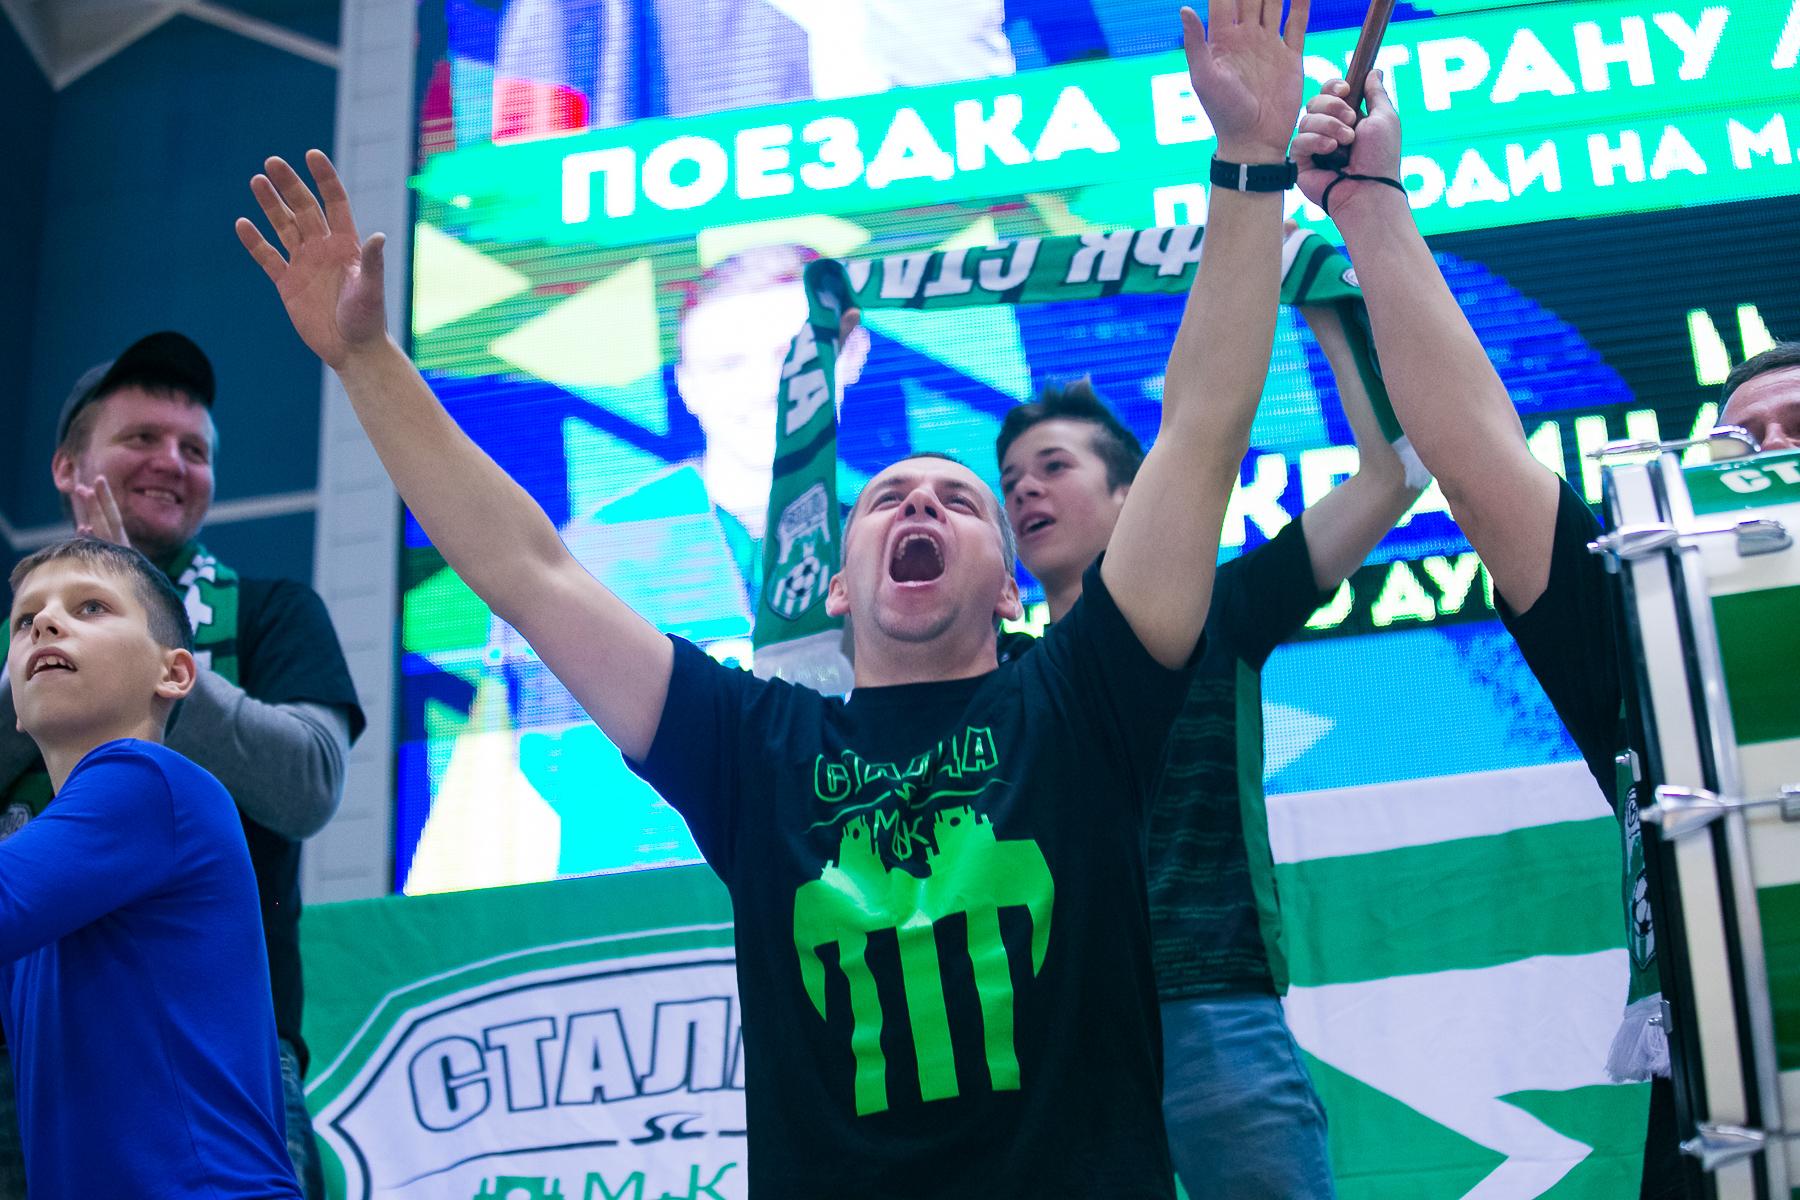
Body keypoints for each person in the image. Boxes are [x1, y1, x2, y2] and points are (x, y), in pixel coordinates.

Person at [235, 0, 1311, 1190]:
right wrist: (368, 362)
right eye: (887, 498)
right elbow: (529, 572)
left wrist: (1248, 160)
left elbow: (1201, 425)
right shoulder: (755, 747)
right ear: (835, 586)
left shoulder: (1085, 702)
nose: (918, 504)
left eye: (960, 503)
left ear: (1012, 585)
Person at [1289, 71, 1800, 1200]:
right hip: (1737, 1137)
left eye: (1797, 430)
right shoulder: (1647, 635)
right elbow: (1476, 457)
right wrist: (1368, 201)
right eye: (1735, 443)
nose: (1765, 456)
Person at [996, 317, 1420, 1195]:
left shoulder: (1220, 609)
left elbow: (1393, 477)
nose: (1024, 490)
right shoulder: (1001, 675)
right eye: (1009, 483)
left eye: (1053, 467)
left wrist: (1327, 313)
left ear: (1132, 495)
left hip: (1211, 1004)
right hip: (1055, 1030)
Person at [0, 333, 365, 1198]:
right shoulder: (37, 664)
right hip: (38, 1063)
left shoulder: (261, 628)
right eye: (142, 438)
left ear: (176, 670)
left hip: (217, 1060)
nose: (172, 462)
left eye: (194, 449)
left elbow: (310, 783)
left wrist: (155, 673)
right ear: (68, 468)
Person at [1, 537, 302, 1199]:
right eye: (24, 621)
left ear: (175, 673)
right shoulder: (47, 866)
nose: (45, 623)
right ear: (14, 705)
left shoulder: (149, 780)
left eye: (90, 607)